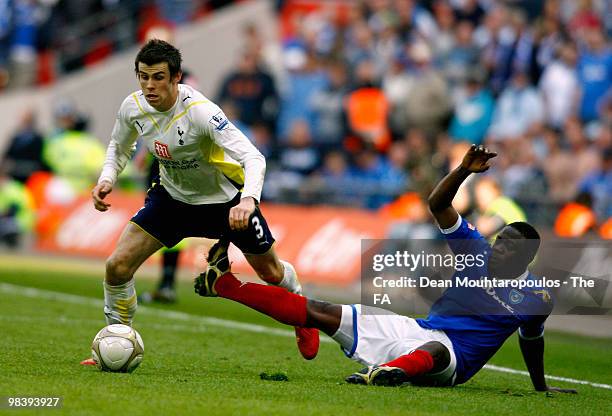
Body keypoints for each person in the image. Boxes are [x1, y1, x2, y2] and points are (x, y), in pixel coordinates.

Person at [194, 145, 577, 392]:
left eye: (509, 247)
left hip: (452, 360)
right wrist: (462, 170)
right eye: (500, 240)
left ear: (526, 259)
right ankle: (226, 285)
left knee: (437, 352)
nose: (498, 247)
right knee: (321, 311)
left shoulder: (535, 297)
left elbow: (532, 340)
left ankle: (388, 372)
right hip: (418, 329)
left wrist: (541, 388)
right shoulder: (475, 249)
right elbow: (438, 204)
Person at [85, 39, 318, 364]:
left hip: (226, 203)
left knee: (271, 273)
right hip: (172, 201)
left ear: (176, 77)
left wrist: (248, 200)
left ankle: (303, 313)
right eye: (143, 76)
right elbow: (118, 146)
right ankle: (117, 337)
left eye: (158, 77)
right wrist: (107, 178)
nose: (149, 85)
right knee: (117, 267)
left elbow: (254, 158)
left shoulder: (201, 113)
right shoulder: (132, 107)